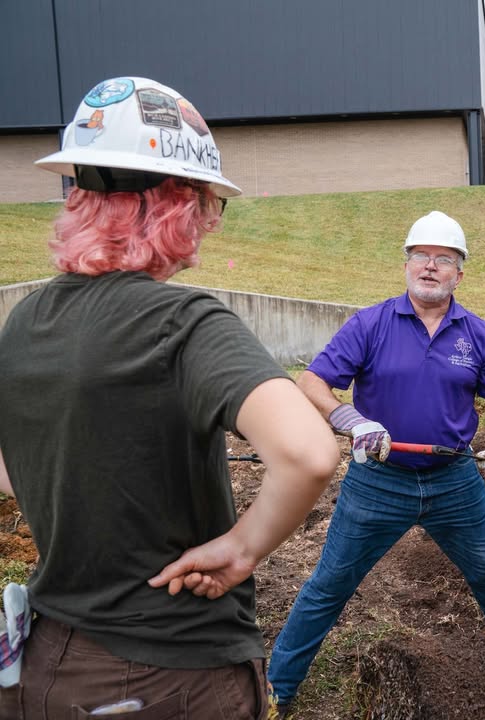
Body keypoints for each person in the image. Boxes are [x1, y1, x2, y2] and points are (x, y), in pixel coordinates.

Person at [0, 76, 340, 719]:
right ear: (175, 202)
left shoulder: (24, 321)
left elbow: (14, 471)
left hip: (44, 669)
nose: (210, 224)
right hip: (168, 677)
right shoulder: (181, 322)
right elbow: (308, 453)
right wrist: (243, 549)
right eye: (209, 203)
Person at [268, 211, 485, 716]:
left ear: (460, 272)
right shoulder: (371, 324)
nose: (430, 266)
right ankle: (277, 689)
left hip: (455, 480)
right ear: (406, 263)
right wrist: (352, 419)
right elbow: (313, 382)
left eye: (443, 259)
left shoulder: (477, 334)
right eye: (421, 256)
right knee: (330, 585)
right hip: (378, 481)